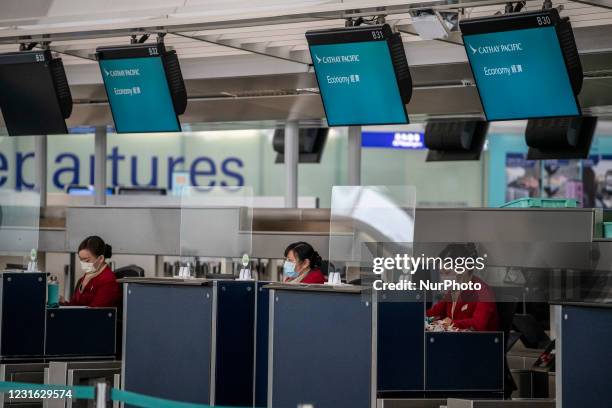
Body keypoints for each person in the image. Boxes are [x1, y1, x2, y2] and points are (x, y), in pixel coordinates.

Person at [426, 243, 499, 331]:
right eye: (441, 273)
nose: (443, 279)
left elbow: (478, 324)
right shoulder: (453, 290)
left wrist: (451, 323)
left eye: (447, 273)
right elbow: (433, 313)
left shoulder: (483, 292)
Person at [63, 236, 121, 308]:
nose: (83, 263)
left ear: (100, 259)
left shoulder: (108, 281)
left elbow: (95, 312)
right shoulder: (87, 276)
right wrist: (62, 303)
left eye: (87, 260)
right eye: (81, 260)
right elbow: (76, 304)